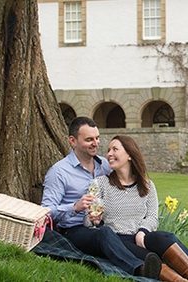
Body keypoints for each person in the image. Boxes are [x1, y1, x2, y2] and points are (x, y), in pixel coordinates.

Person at [85, 135, 188, 282]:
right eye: (109, 150)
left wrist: (142, 232)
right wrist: (93, 220)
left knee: (164, 237)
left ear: (130, 155)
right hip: (117, 239)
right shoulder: (100, 184)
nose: (109, 154)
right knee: (150, 257)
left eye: (115, 149)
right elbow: (88, 222)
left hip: (141, 236)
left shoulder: (146, 185)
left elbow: (152, 216)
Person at [41, 117, 162, 280]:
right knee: (105, 234)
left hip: (101, 224)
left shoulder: (105, 165)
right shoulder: (59, 172)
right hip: (74, 230)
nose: (95, 143)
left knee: (110, 232)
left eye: (97, 138)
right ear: (72, 141)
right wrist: (74, 207)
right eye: (89, 139)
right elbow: (45, 212)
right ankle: (138, 269)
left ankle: (183, 269)